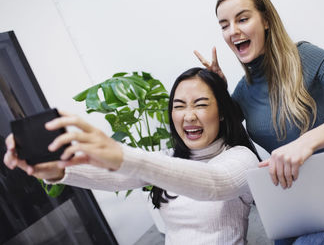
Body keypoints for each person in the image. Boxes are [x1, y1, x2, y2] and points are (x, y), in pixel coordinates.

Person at [194, 0, 324, 245]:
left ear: (265, 20)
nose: (233, 31)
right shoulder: (242, 91)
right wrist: (217, 90)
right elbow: (213, 139)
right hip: (300, 208)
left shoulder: (307, 56)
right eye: (224, 25)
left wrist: (305, 143)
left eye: (242, 19)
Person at [3, 67, 261, 245]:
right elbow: (116, 178)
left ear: (223, 112)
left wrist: (124, 155)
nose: (188, 115)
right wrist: (59, 170)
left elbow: (214, 183)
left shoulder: (241, 159)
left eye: (201, 104)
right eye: (179, 106)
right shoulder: (170, 158)